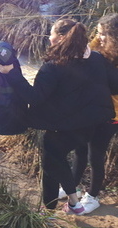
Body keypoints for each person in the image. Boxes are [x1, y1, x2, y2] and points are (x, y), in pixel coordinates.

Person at [0, 18, 118, 215]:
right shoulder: (97, 59)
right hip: (91, 125)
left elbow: (34, 98)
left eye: (51, 34)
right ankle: (65, 201)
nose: (49, 37)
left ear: (60, 38)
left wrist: (11, 74)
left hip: (63, 126)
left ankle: (65, 205)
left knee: (51, 160)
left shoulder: (53, 66)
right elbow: (115, 86)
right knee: (56, 158)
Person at [68, 13, 118, 214]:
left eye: (105, 34)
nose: (100, 37)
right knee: (79, 149)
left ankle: (93, 196)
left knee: (95, 154)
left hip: (112, 115)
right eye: (98, 32)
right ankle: (73, 187)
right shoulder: (97, 48)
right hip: (92, 109)